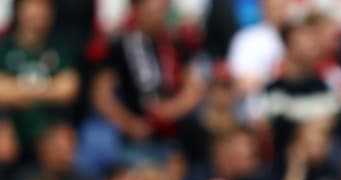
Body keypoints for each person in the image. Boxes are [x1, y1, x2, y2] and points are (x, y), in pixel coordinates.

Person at [91, 0, 207, 158]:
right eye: (151, 11)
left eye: (161, 11)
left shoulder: (176, 44)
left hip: (176, 132)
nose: (157, 16)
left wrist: (170, 110)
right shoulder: (120, 45)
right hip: (136, 134)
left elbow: (194, 89)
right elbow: (101, 95)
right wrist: (130, 124)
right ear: (137, 11)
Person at [261, 13, 341, 169]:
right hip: (282, 169)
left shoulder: (328, 86)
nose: (312, 44)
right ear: (289, 43)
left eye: (314, 37)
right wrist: (313, 125)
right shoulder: (273, 89)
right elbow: (277, 127)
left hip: (326, 171)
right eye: (305, 37)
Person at [0, 0, 79, 158]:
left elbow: (69, 89)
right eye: (33, 6)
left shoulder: (60, 47)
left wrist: (18, 92)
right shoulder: (4, 48)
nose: (39, 12)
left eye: (43, 7)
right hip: (11, 122)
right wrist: (50, 89)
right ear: (19, 10)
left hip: (50, 123)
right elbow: (2, 92)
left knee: (63, 143)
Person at [227, 0, 289, 97]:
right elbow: (242, 83)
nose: (279, 12)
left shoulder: (296, 36)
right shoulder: (247, 37)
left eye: (282, 7)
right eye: (274, 7)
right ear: (263, 7)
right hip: (262, 102)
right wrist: (276, 75)